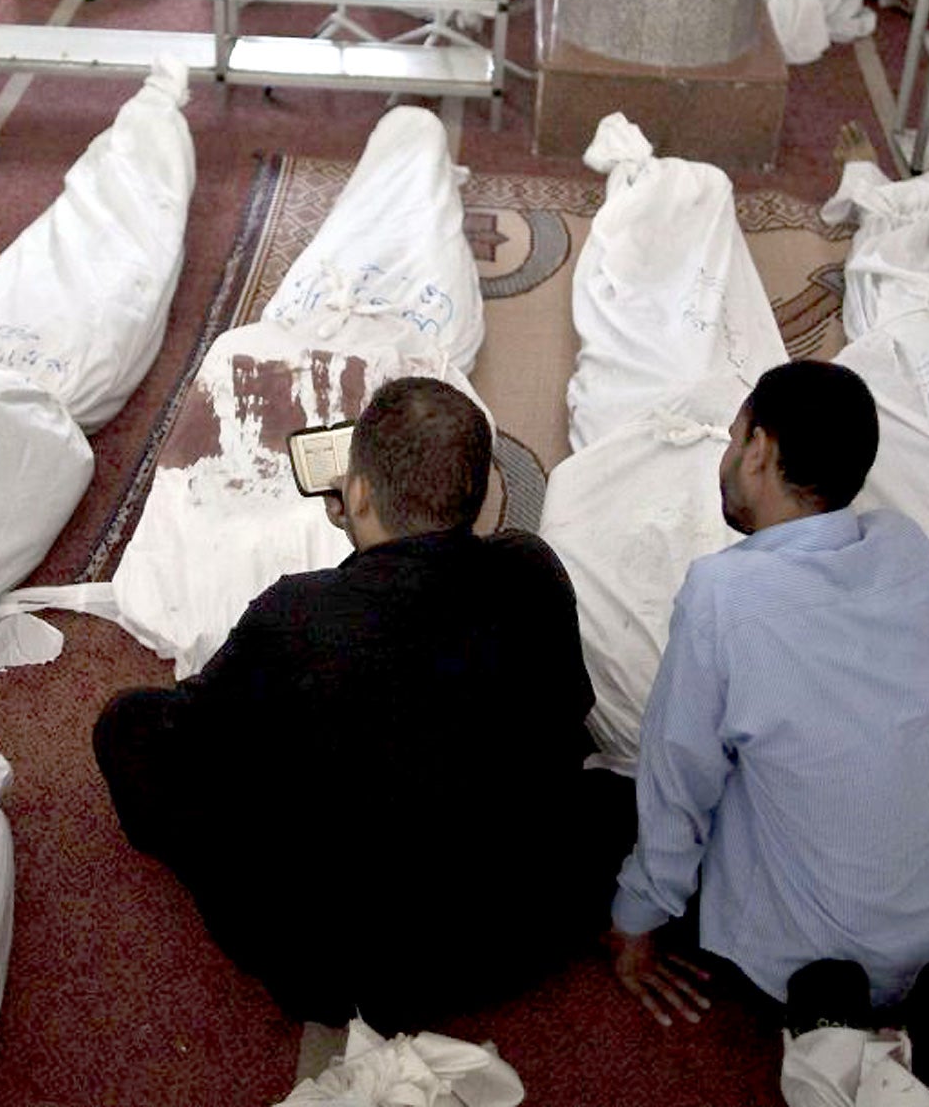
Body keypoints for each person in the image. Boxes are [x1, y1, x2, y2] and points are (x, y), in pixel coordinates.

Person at [95, 376, 632, 1031]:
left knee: (130, 726)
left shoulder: (293, 615)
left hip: (344, 971)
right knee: (613, 795)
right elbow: (566, 717)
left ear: (356, 494)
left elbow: (194, 736)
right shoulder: (532, 571)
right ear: (482, 491)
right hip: (514, 935)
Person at [607, 359, 929, 1093]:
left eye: (732, 437)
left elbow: (677, 782)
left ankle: (833, 1028)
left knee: (607, 795)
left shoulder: (723, 597)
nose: (726, 457)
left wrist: (635, 918)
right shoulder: (907, 547)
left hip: (803, 962)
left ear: (759, 451)